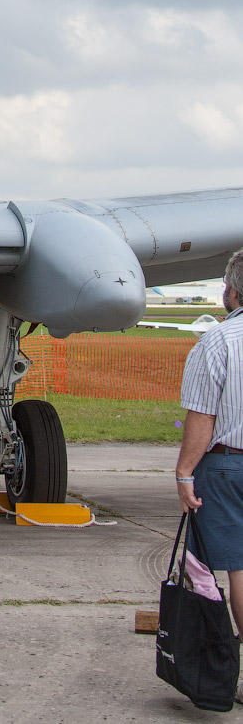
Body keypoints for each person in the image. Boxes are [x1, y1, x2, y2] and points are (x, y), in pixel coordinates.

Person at [176, 250, 243, 698]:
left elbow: (202, 418)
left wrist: (184, 473)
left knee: (238, 567)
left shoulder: (218, 342)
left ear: (232, 291)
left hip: (228, 464)